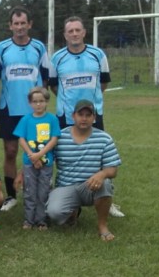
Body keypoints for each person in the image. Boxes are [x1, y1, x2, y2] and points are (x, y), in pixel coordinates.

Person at [49, 16, 125, 218]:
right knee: (64, 157)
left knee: (100, 157)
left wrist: (91, 106)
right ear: (65, 35)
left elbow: (103, 84)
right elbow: (54, 85)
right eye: (70, 31)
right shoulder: (57, 58)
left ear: (84, 32)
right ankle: (68, 197)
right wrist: (70, 107)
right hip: (66, 116)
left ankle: (107, 200)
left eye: (77, 30)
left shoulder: (98, 54)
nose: (74, 34)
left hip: (94, 114)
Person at [0, 6, 54, 212]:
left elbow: (45, 79)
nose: (19, 27)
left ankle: (41, 192)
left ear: (29, 24)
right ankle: (11, 196)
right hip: (9, 109)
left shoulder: (38, 47)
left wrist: (43, 106)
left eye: (23, 23)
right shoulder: (1, 48)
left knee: (38, 150)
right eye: (15, 23)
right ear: (10, 26)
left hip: (34, 110)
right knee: (10, 151)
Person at [45, 99, 121, 241]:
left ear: (94, 118)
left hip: (91, 185)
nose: (84, 118)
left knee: (105, 183)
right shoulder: (59, 137)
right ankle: (72, 212)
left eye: (88, 115)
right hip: (66, 186)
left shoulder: (104, 138)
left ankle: (102, 226)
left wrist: (102, 173)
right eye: (81, 115)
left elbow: (113, 170)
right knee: (54, 213)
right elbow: (45, 159)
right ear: (73, 116)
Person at [12, 87, 60, 231]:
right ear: (30, 103)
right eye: (35, 102)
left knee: (43, 191)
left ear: (46, 102)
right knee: (30, 191)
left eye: (41, 101)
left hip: (46, 162)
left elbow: (54, 139)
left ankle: (42, 220)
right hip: (29, 162)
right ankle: (29, 220)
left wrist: (40, 154)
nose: (38, 104)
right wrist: (32, 156)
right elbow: (21, 139)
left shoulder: (52, 119)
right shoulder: (26, 119)